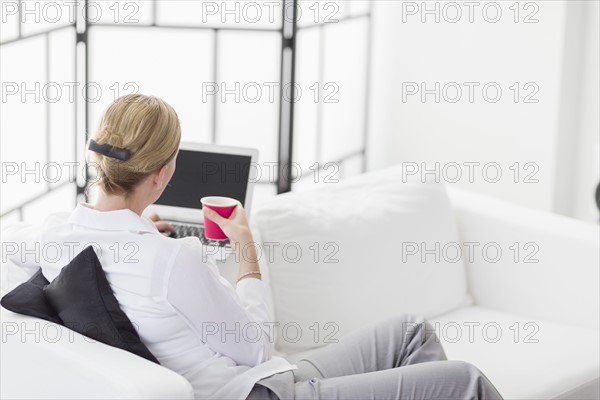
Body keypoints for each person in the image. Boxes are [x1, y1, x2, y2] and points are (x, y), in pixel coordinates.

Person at [2, 94, 503, 400]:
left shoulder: (54, 236)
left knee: (411, 331)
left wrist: (135, 230)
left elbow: (16, 241)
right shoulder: (175, 261)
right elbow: (257, 346)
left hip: (266, 380)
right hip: (258, 393)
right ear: (163, 172)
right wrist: (245, 249)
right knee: (466, 382)